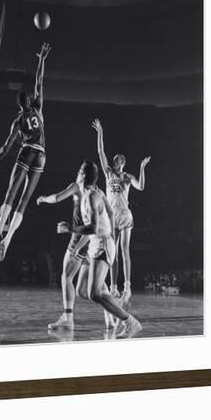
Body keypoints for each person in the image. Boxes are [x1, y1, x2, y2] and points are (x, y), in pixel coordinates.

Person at [41, 161, 142, 337]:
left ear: (81, 175)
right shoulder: (98, 192)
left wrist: (70, 229)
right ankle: (116, 304)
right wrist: (109, 233)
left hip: (101, 243)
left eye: (79, 170)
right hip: (97, 242)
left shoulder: (90, 197)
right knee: (82, 290)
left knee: (94, 293)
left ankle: (130, 322)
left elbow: (93, 228)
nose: (77, 172)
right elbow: (110, 213)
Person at [0, 42, 52, 261]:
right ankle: (8, 239)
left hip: (26, 152)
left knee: (10, 195)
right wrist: (41, 58)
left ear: (18, 106)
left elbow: (5, 147)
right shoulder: (38, 108)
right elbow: (39, 81)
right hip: (41, 155)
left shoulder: (18, 121)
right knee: (24, 200)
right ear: (30, 101)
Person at [92, 118, 151, 303]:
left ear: (123, 163)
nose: (115, 162)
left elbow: (141, 187)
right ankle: (114, 287)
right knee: (112, 253)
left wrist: (142, 168)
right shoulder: (108, 173)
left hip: (124, 215)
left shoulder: (127, 177)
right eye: (114, 160)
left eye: (118, 161)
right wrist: (100, 132)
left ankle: (127, 287)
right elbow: (100, 151)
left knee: (125, 250)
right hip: (111, 217)